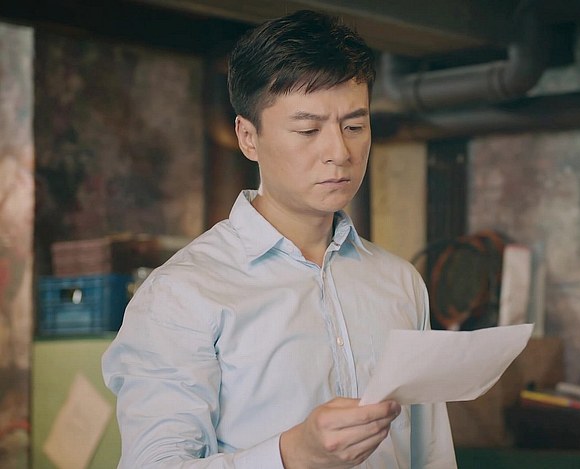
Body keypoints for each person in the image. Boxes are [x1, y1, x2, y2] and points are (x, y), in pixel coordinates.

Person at [101, 9, 456, 468]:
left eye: (354, 126)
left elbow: (432, 455)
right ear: (248, 137)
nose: (339, 152)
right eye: (308, 130)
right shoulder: (181, 294)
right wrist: (291, 455)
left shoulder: (400, 282)